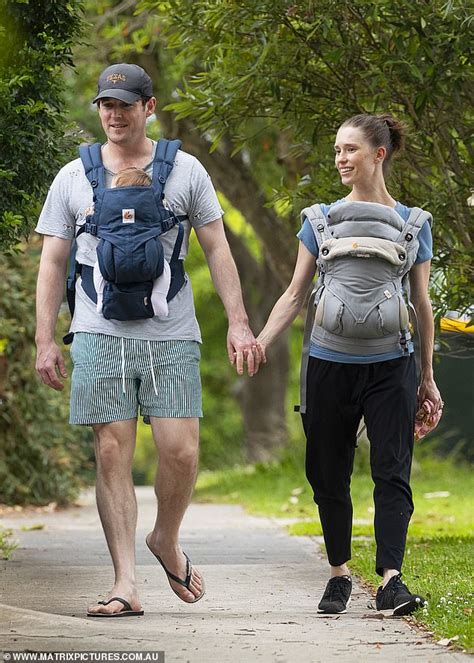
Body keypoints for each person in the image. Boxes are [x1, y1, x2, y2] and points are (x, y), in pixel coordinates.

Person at [35, 63, 260, 617]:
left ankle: (165, 537)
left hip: (171, 332)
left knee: (180, 452)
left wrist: (237, 321)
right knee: (111, 451)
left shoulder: (185, 171)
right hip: (97, 329)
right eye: (106, 105)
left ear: (149, 107)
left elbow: (218, 250)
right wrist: (45, 337)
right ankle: (125, 583)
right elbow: (53, 260)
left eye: (125, 105)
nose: (114, 115)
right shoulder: (72, 176)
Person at [256, 113, 442, 616]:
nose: (340, 158)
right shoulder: (318, 219)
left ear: (378, 154)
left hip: (392, 364)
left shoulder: (414, 223)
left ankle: (391, 581)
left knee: (392, 470)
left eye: (351, 149)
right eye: (337, 149)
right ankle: (339, 575)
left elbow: (421, 305)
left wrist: (427, 378)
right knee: (327, 472)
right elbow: (294, 295)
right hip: (328, 362)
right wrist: (261, 341)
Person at [92, 167, 171, 318]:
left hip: (112, 253)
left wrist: (91, 214)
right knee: (164, 268)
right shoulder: (151, 205)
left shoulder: (107, 207)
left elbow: (98, 227)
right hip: (147, 252)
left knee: (97, 268)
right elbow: (164, 225)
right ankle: (158, 296)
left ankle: (101, 296)